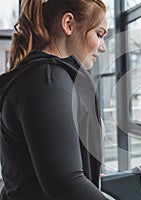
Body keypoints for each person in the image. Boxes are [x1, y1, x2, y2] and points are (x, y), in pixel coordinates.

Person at [0, 0, 109, 199]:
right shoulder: (46, 80)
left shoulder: (50, 77)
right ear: (68, 24)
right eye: (99, 34)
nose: (102, 48)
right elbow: (66, 183)